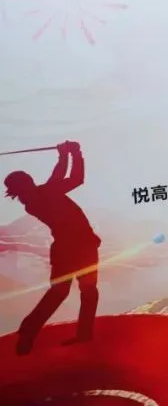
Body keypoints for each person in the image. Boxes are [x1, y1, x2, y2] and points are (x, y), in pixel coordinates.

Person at [4, 140, 101, 355]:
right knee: (86, 291)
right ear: (26, 184)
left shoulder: (37, 198)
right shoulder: (43, 195)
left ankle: (29, 331)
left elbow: (75, 179)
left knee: (60, 292)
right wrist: (68, 153)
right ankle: (82, 335)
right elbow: (62, 177)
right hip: (80, 246)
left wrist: (71, 153)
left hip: (69, 248)